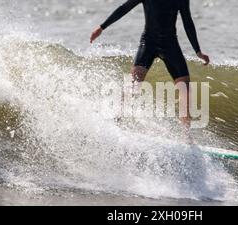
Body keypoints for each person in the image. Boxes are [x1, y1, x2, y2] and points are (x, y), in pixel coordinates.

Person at [90, 0, 210, 132]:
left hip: (170, 45)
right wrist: (102, 27)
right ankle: (117, 124)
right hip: (148, 43)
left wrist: (198, 51)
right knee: (134, 84)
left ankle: (186, 137)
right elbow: (124, 8)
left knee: (185, 90)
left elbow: (187, 21)